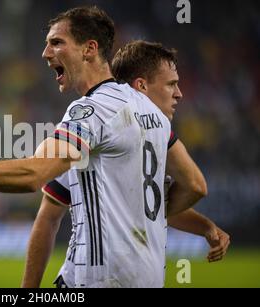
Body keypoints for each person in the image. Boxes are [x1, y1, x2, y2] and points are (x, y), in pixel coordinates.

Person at [0, 6, 174, 287]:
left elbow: (33, 175)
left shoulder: (92, 110)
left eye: (57, 42)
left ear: (89, 49)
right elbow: (196, 185)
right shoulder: (147, 110)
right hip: (147, 276)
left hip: (101, 279)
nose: (45, 53)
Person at [22, 40, 230, 288]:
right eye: (171, 84)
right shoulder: (100, 122)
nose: (179, 93)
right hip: (89, 279)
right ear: (141, 86)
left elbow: (146, 206)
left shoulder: (143, 130)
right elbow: (195, 186)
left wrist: (204, 226)